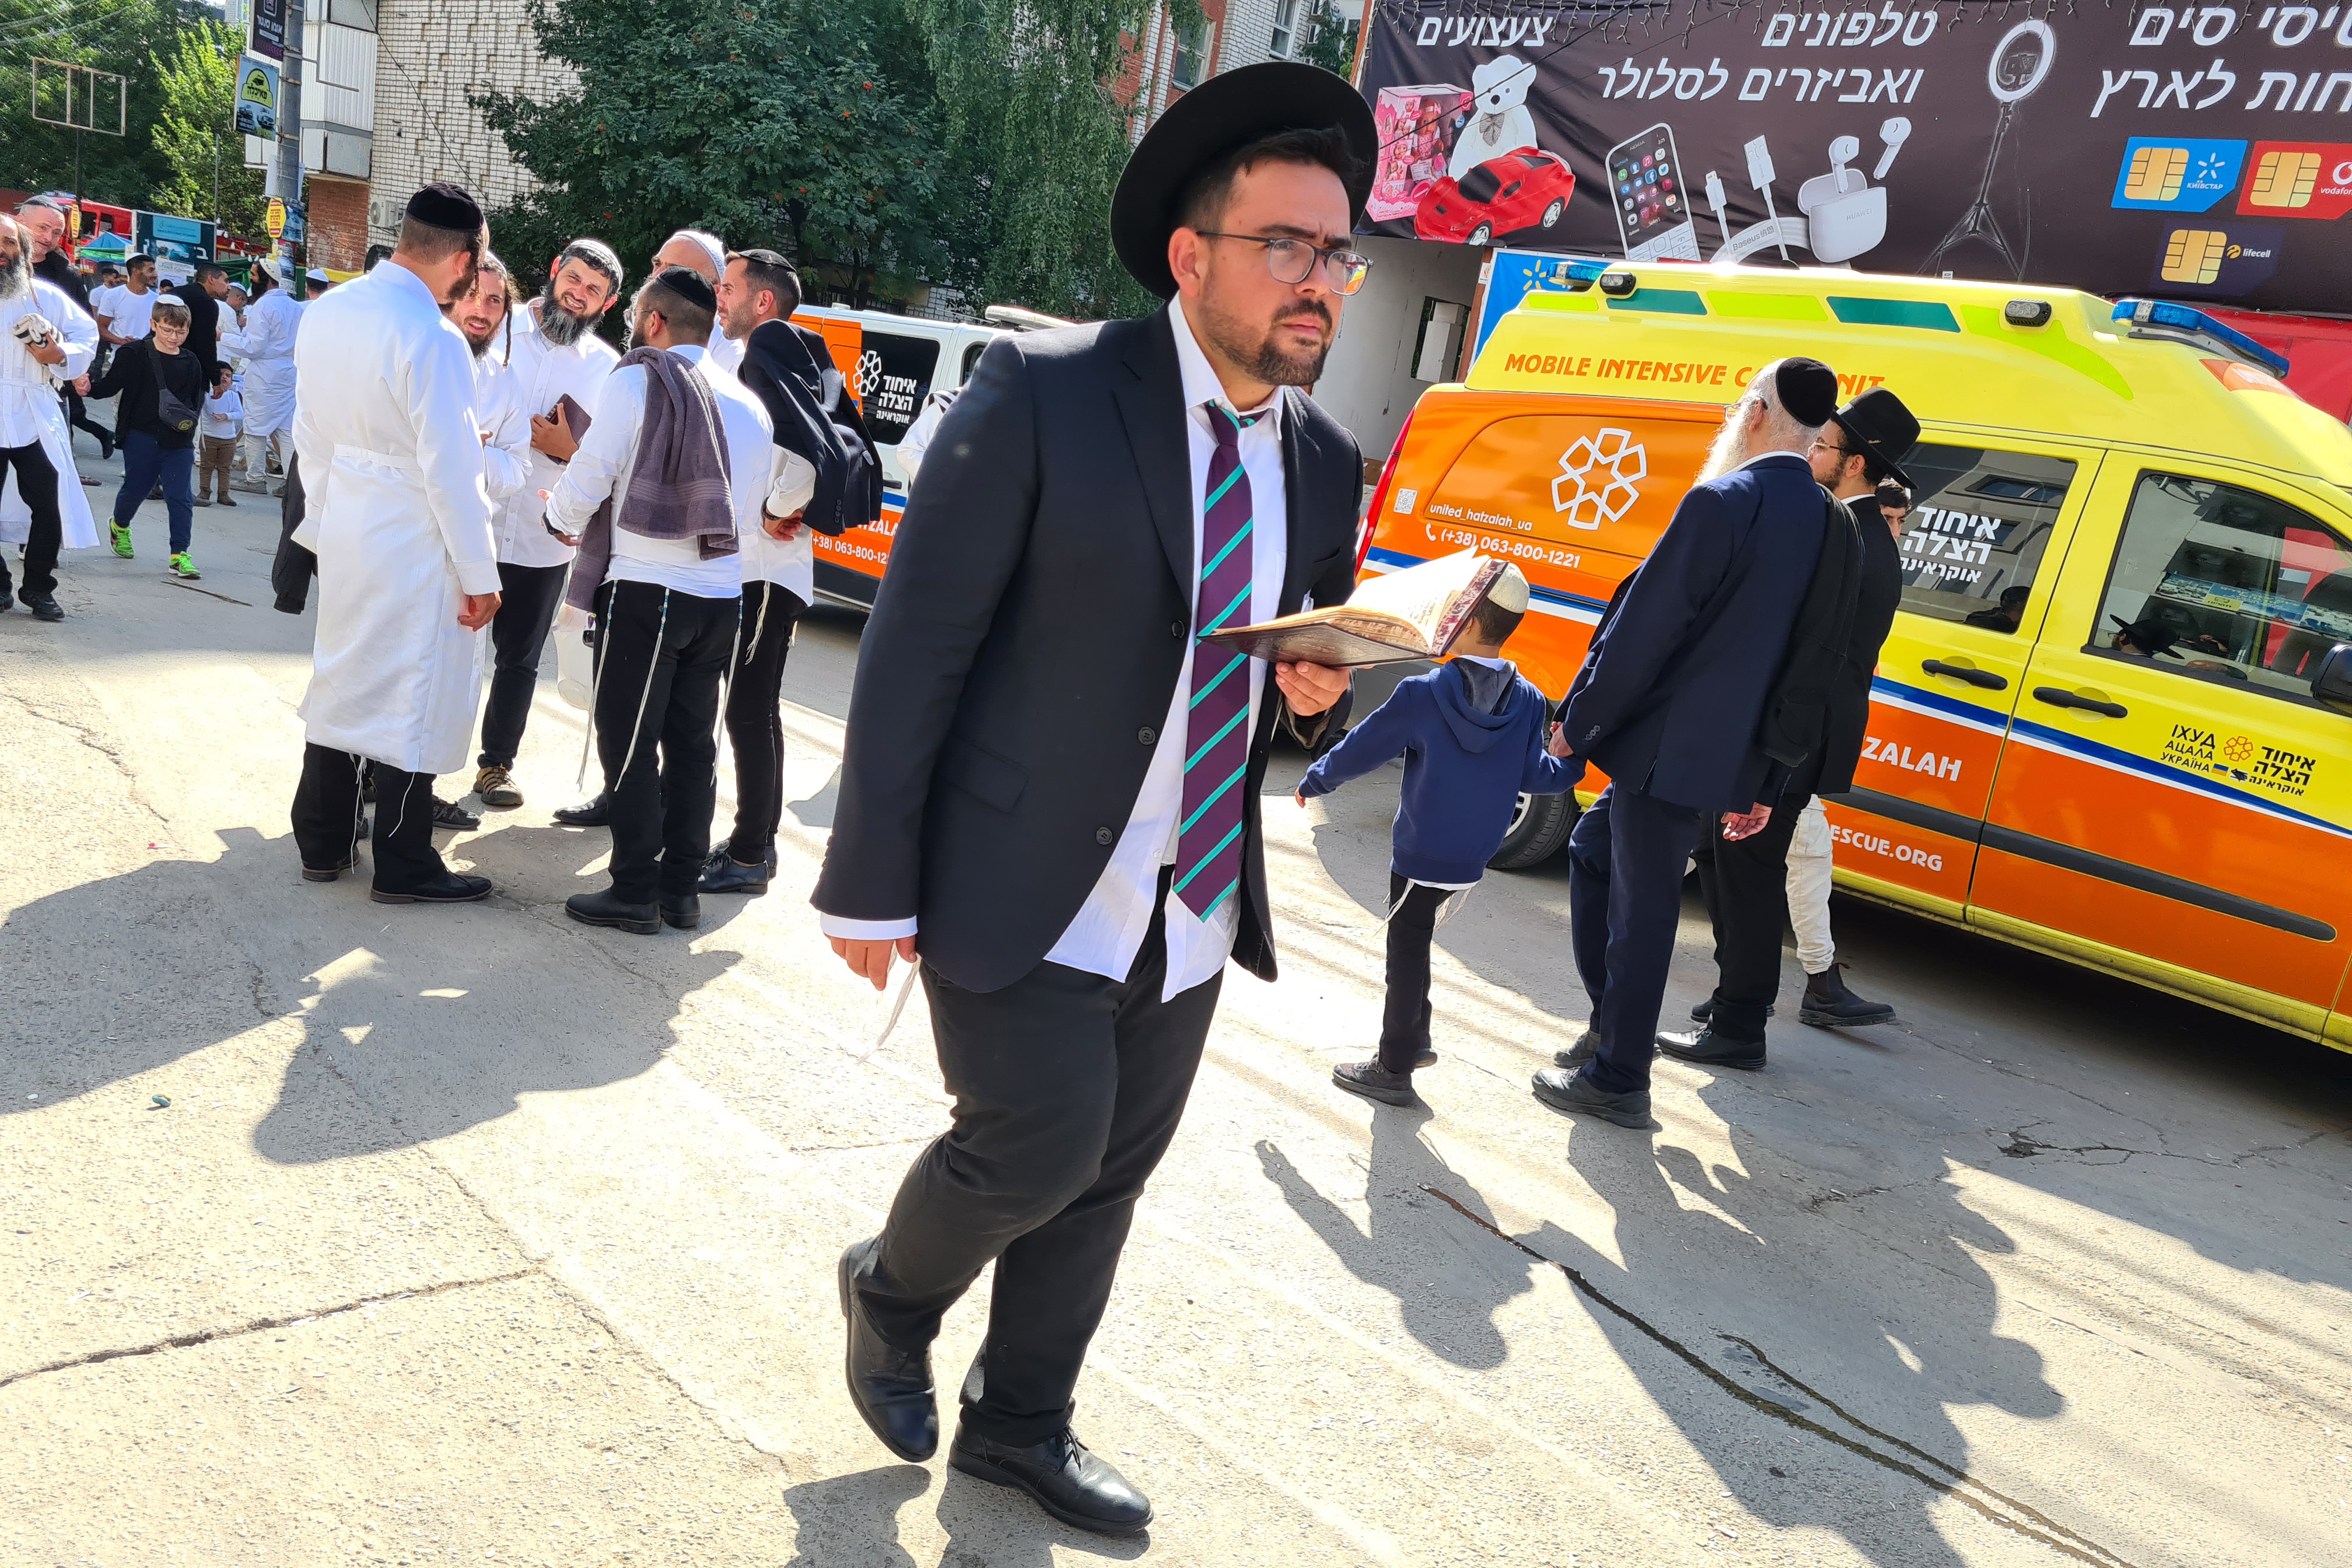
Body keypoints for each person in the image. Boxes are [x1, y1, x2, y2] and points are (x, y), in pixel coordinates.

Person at [812, 61, 1370, 1535]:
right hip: (1018, 861)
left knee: (1113, 1172)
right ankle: (890, 1284)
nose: (1324, 282)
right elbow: (920, 641)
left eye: (1341, 254)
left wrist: (1325, 685)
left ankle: (1021, 1427)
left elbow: (1299, 647)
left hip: (1190, 888)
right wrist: (867, 876)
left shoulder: (1327, 460)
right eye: (1289, 248)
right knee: (1039, 1140)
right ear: (1196, 259)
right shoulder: (1053, 391)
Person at [1530, 357, 1842, 1130]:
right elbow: (1814, 666)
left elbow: (1645, 633)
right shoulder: (1830, 521)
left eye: (1742, 406)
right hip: (1725, 758)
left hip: (1665, 749)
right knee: (1595, 855)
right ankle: (1612, 1023)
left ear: (1758, 415)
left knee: (1643, 910)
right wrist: (1767, 781)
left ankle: (1619, 1075)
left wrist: (1580, 719)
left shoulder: (1723, 499)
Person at [1661, 388, 1919, 1071]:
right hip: (1795, 735)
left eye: (1825, 446)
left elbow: (1813, 660)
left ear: (1855, 463)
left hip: (1790, 738)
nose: (1812, 452)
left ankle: (1741, 1023)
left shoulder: (1849, 535)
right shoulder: (1858, 530)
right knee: (1725, 858)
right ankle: (1731, 998)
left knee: (1747, 869)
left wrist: (1770, 763)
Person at [285, 184, 502, 902]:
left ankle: (322, 840)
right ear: (466, 258)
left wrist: (322, 520)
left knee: (344, 672)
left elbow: (307, 433)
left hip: (347, 512)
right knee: (418, 682)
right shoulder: (435, 339)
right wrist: (480, 572)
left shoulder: (330, 310)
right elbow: (453, 469)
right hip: (414, 527)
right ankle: (405, 863)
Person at [1293, 565, 1581, 1107]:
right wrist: (1575, 765)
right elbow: (1535, 774)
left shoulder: (1422, 694)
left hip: (1422, 849)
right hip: (1474, 856)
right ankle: (1416, 1041)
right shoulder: (1529, 700)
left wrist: (1317, 778)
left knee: (1404, 952)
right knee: (1417, 940)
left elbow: (1364, 749)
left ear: (1466, 620)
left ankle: (1394, 1066)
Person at [543, 265, 771, 935]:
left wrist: (560, 518)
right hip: (722, 597)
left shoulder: (640, 379)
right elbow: (752, 512)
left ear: (653, 322)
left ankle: (636, 891)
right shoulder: (748, 403)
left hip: (650, 589)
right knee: (694, 748)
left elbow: (592, 470)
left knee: (630, 742)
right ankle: (680, 893)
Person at [470, 238, 625, 814]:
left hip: (543, 537)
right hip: (470, 519)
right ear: (554, 270)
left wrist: (569, 448)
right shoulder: (493, 324)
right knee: (442, 647)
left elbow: (612, 455)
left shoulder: (608, 369)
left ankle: (495, 765)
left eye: (593, 291)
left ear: (607, 305)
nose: (578, 295)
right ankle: (409, 769)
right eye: (574, 279)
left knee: (518, 659)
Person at [699, 246, 824, 894]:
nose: (719, 297)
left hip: (769, 568)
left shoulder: (769, 354)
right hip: (762, 566)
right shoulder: (782, 352)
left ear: (762, 300)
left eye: (728, 287)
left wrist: (780, 508)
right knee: (752, 710)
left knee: (750, 710)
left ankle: (751, 853)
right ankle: (752, 846)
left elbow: (805, 454)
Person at [430, 252, 534, 831]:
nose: (483, 309)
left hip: (471, 546)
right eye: (475, 295)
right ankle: (372, 781)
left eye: (496, 301)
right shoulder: (421, 351)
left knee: (451, 675)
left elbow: (516, 470)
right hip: (409, 540)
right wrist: (471, 448)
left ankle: (417, 786)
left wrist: (471, 451)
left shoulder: (504, 380)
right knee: (396, 666)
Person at [0, 212, 100, 620]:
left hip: (35, 410)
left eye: (9, 243)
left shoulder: (45, 296)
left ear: (22, 251)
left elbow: (87, 336)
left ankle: (39, 586)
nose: (2, 251)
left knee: (51, 501)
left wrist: (60, 355)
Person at [88, 295, 207, 578]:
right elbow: (110, 385)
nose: (174, 337)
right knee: (137, 488)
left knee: (180, 497)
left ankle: (179, 554)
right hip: (140, 433)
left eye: (181, 331)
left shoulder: (191, 361)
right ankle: (120, 525)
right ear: (154, 324)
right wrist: (84, 386)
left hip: (178, 440)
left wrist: (188, 427)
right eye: (167, 329)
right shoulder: (134, 353)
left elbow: (195, 399)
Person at [236, 258, 301, 494]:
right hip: (288, 374)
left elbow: (254, 347)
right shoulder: (295, 306)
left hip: (265, 374)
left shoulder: (263, 307)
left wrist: (225, 338)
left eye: (254, 275)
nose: (251, 279)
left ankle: (255, 479)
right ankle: (293, 483)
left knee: (255, 427)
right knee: (286, 429)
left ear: (266, 278)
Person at [650, 229, 740, 372]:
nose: (656, 276)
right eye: (657, 264)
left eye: (675, 271)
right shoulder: (648, 327)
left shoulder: (732, 361)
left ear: (712, 292)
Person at [170, 260, 233, 396]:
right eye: (226, 281)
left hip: (161, 368)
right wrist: (216, 381)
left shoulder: (172, 294)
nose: (229, 287)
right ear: (211, 279)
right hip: (189, 375)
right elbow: (206, 346)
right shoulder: (207, 303)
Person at [197, 372, 243, 507]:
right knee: (206, 466)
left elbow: (240, 413)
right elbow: (205, 409)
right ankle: (204, 491)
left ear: (231, 382)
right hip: (209, 436)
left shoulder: (233, 396)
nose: (224, 377)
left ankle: (224, 493)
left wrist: (226, 416)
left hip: (228, 438)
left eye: (228, 376)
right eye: (221, 375)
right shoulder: (207, 395)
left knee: (225, 468)